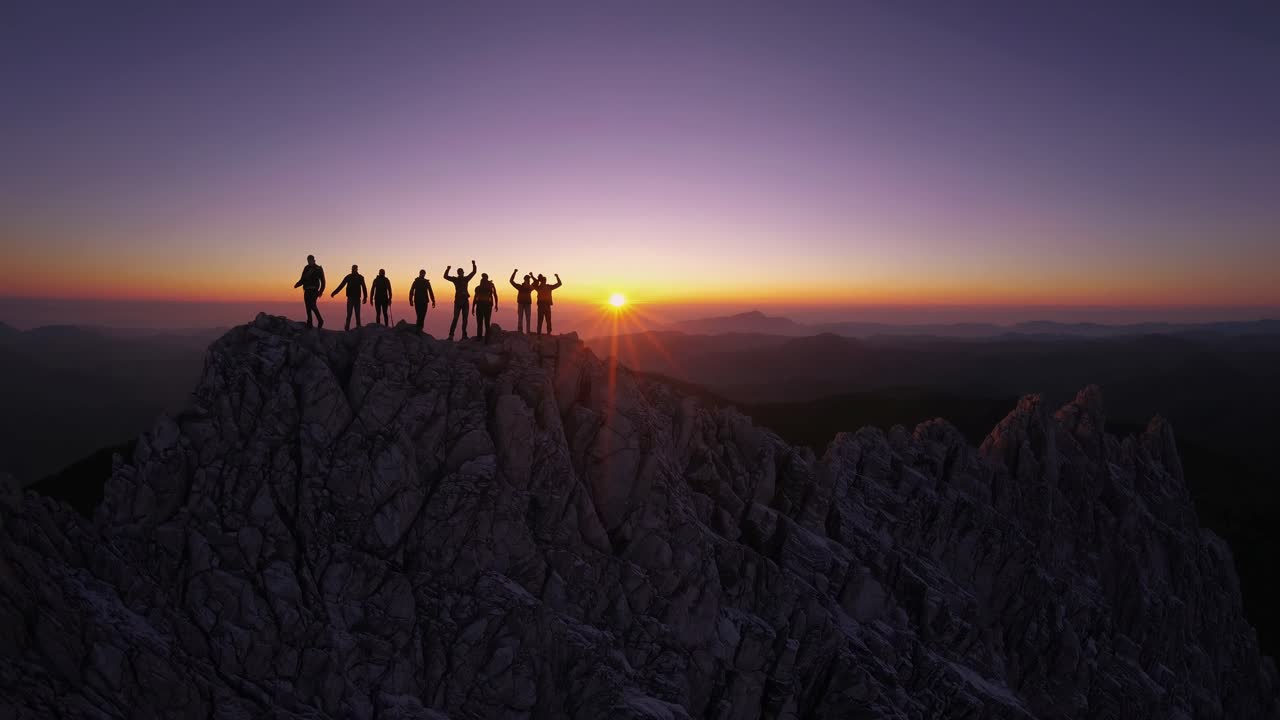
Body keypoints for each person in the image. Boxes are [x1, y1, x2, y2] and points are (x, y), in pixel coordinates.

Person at [443, 260, 477, 340]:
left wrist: (474, 264)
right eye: (460, 272)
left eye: (461, 272)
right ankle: (453, 336)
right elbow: (445, 276)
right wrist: (447, 269)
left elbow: (474, 272)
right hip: (460, 301)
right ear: (460, 273)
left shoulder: (462, 279)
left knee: (462, 319)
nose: (461, 273)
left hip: (463, 301)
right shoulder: (461, 279)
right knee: (457, 318)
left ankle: (462, 336)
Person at [331, 264, 368, 330]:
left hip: (356, 298)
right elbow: (341, 285)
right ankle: (348, 327)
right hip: (351, 298)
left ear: (356, 269)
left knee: (356, 314)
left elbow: (364, 288)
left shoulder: (359, 277)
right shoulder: (350, 277)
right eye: (353, 268)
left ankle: (356, 326)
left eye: (355, 268)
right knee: (350, 314)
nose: (354, 269)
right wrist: (334, 292)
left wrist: (365, 297)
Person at [293, 255, 326, 328]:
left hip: (314, 290)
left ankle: (320, 320)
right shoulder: (306, 268)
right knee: (307, 306)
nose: (309, 262)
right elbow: (303, 279)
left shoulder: (318, 269)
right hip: (307, 290)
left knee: (312, 305)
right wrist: (297, 284)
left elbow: (323, 281)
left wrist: (321, 291)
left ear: (313, 260)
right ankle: (309, 322)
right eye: (308, 260)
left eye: (310, 260)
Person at [472, 272, 499, 343]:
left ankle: (480, 337)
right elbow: (495, 295)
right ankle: (486, 338)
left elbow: (475, 297)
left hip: (481, 306)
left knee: (480, 322)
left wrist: (473, 307)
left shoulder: (479, 287)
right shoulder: (490, 286)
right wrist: (496, 305)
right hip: (487, 306)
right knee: (486, 322)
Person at [510, 269, 533, 334]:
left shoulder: (523, 287)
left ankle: (522, 331)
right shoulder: (527, 287)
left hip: (522, 303)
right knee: (526, 318)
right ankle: (526, 331)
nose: (529, 280)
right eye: (528, 279)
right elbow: (511, 281)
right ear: (526, 280)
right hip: (526, 303)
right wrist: (514, 272)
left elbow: (511, 281)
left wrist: (514, 272)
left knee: (521, 318)